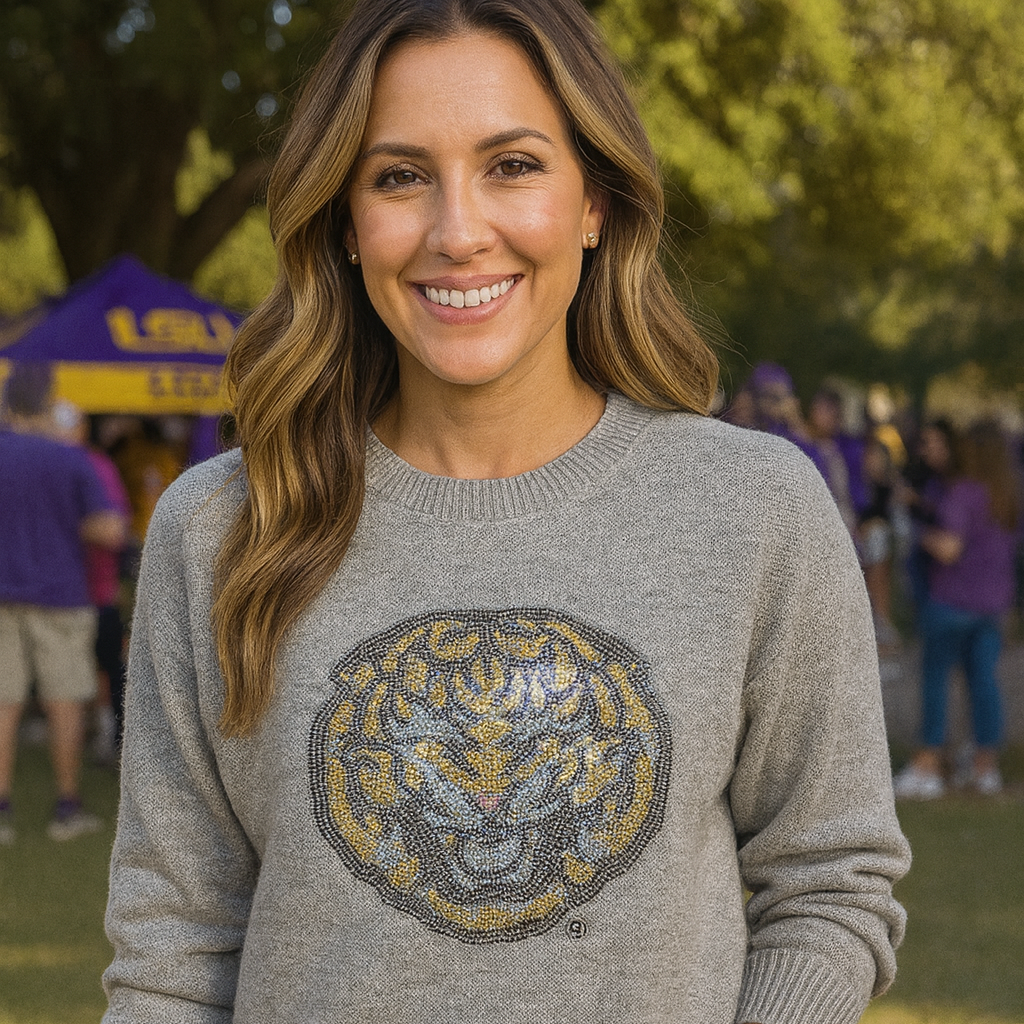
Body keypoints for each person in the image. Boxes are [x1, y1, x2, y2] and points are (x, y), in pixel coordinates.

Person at [102, 2, 910, 1022]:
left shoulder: (753, 507)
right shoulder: (220, 527)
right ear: (347, 223)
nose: (458, 230)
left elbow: (830, 884)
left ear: (594, 201)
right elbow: (172, 951)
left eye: (513, 165)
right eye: (399, 176)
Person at [0, 363, 125, 843]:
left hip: (4, 594)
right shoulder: (70, 459)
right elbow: (109, 530)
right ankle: (66, 807)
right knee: (64, 701)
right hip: (61, 594)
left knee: (5, 703)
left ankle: (4, 808)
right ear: (48, 401)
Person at [893, 421, 1021, 799]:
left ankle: (928, 763)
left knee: (935, 681)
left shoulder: (963, 490)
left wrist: (913, 533)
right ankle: (985, 766)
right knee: (984, 683)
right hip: (992, 603)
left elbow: (950, 546)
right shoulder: (1008, 494)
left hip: (952, 600)